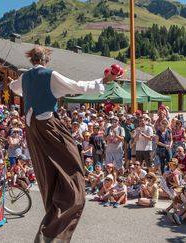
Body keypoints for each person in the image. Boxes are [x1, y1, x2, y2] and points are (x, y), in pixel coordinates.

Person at [9, 46, 117, 242]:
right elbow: (78, 87)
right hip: (48, 124)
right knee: (74, 175)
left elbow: (14, 88)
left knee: (48, 176)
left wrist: (11, 84)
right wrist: (104, 80)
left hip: (31, 128)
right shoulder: (50, 74)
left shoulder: (24, 78)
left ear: (31, 60)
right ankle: (53, 233)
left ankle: (51, 227)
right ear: (46, 60)